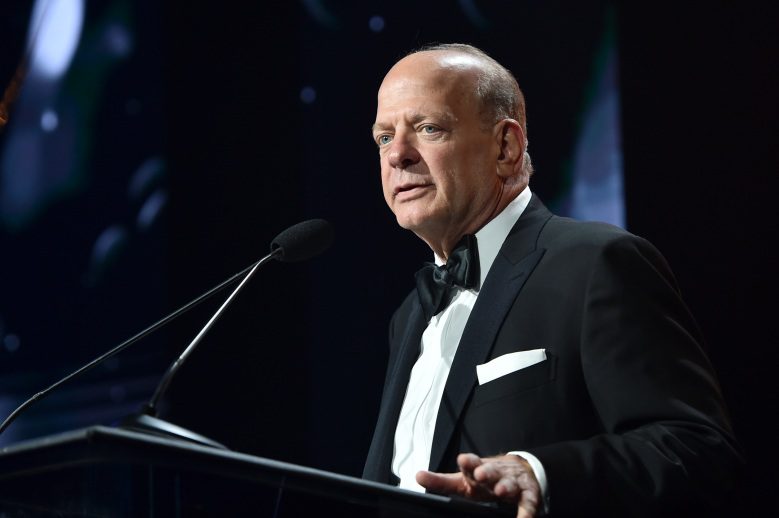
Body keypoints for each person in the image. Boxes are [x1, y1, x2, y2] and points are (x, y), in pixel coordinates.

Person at [362, 43, 743, 517]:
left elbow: (695, 450)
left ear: (506, 147)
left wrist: (540, 474)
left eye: (428, 129)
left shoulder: (596, 264)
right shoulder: (410, 316)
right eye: (383, 137)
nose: (397, 154)